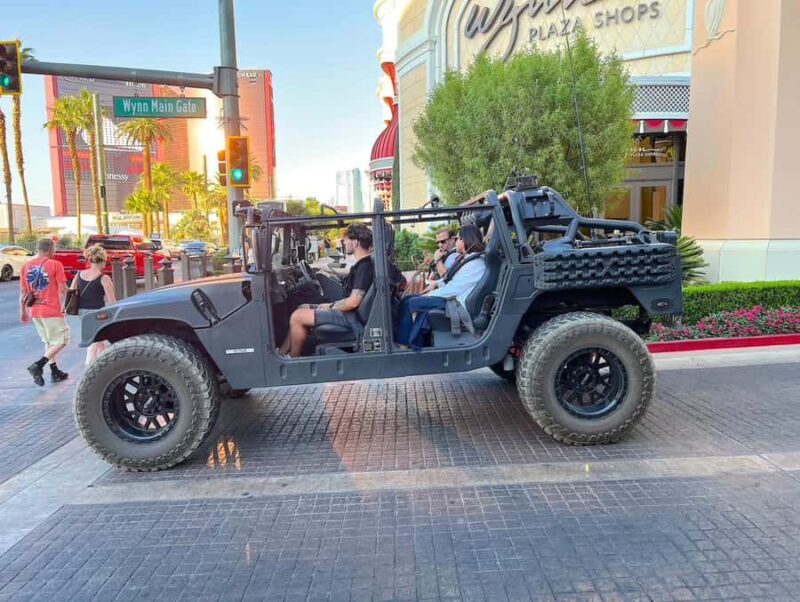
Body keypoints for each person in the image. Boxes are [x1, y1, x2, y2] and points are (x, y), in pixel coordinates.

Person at [280, 223, 374, 358]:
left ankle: (293, 361)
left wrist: (330, 306)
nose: (343, 242)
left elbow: (353, 302)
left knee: (297, 317)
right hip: (349, 314)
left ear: (355, 242)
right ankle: (282, 353)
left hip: (351, 318)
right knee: (302, 307)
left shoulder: (364, 267)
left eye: (346, 239)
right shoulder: (362, 265)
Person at [396, 225, 486, 350]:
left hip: (455, 303)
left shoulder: (476, 264)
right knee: (407, 299)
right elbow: (453, 280)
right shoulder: (468, 259)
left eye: (458, 239)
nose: (456, 242)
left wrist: (429, 294)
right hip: (451, 298)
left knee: (410, 302)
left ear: (465, 240)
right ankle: (413, 342)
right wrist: (437, 284)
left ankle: (404, 346)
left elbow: (454, 288)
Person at [19, 238, 70, 386]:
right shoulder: (55, 264)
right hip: (52, 309)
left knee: (49, 341)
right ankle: (38, 365)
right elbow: (62, 290)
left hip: (34, 310)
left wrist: (22, 311)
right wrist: (65, 305)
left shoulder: (25, 266)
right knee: (62, 340)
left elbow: (23, 292)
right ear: (50, 249)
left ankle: (54, 371)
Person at [71, 244, 117, 365]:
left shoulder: (79, 274)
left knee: (99, 342)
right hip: (98, 313)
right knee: (94, 343)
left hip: (82, 312)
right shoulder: (104, 278)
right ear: (102, 261)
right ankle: (89, 368)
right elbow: (112, 301)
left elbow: (71, 292)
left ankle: (103, 365)